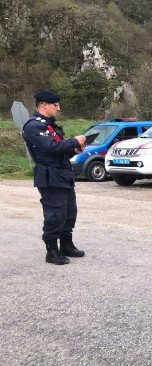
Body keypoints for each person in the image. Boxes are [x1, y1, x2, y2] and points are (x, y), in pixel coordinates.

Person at [22, 90, 87, 265]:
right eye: (55, 105)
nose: (59, 108)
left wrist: (74, 149)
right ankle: (51, 251)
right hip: (50, 175)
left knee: (69, 212)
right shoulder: (34, 126)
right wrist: (74, 141)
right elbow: (49, 148)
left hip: (63, 174)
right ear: (44, 105)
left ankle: (66, 245)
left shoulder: (51, 125)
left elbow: (58, 148)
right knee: (55, 214)